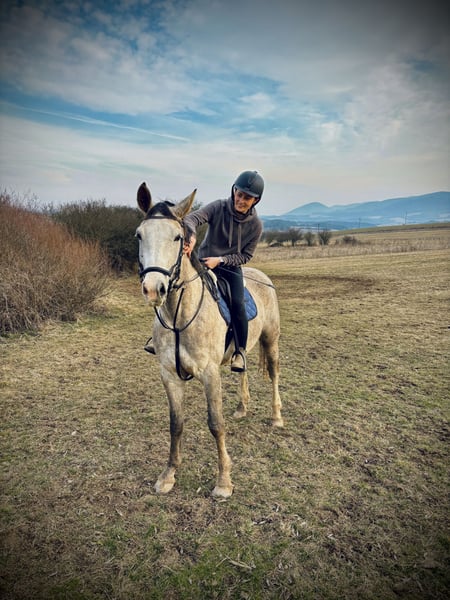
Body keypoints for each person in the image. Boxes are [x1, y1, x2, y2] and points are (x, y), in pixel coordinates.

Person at [182, 170, 264, 372]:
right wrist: (191, 235)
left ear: (255, 200)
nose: (241, 200)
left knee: (238, 303)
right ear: (234, 190)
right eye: (239, 194)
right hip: (202, 262)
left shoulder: (256, 225)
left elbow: (246, 256)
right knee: (176, 285)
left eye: (247, 198)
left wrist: (220, 260)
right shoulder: (218, 207)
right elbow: (192, 218)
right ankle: (161, 336)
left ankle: (240, 352)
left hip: (229, 268)